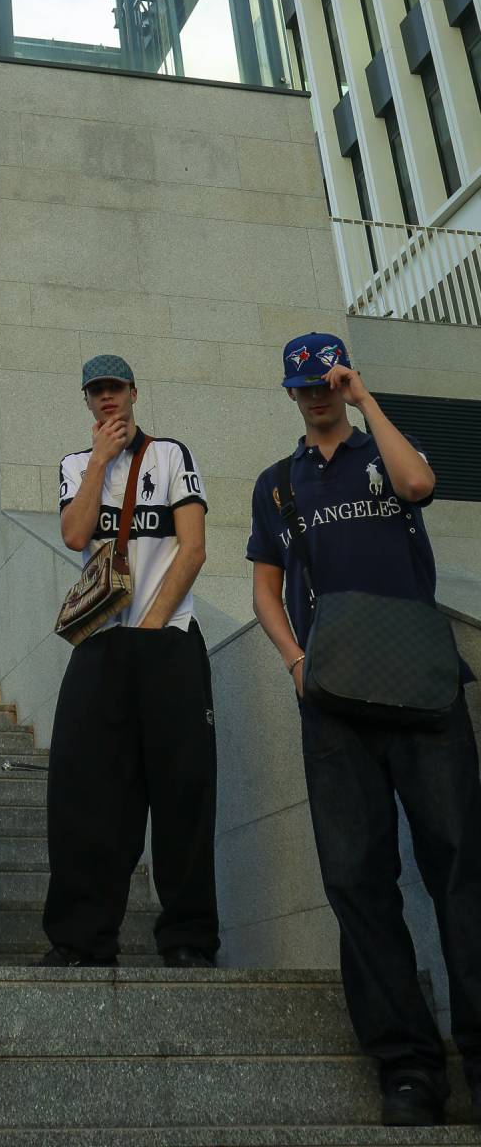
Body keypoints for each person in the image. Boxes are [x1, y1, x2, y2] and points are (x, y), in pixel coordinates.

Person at [248, 330, 481, 1131]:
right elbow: (265, 589)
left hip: (424, 692)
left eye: (328, 382)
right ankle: (408, 1066)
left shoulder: (385, 450)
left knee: (461, 868)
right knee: (356, 879)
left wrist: (365, 398)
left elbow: (420, 482)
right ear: (288, 392)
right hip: (335, 703)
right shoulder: (278, 484)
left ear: (342, 379)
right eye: (305, 386)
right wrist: (292, 662)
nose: (316, 395)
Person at [45, 353, 218, 968]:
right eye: (95, 391)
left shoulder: (171, 455)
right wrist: (98, 460)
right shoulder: (75, 464)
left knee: (183, 790)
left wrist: (149, 628)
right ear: (87, 402)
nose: (106, 398)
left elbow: (192, 549)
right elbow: (73, 533)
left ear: (135, 392)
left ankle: (188, 939)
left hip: (166, 637)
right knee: (84, 790)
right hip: (99, 646)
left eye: (115, 387)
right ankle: (83, 939)